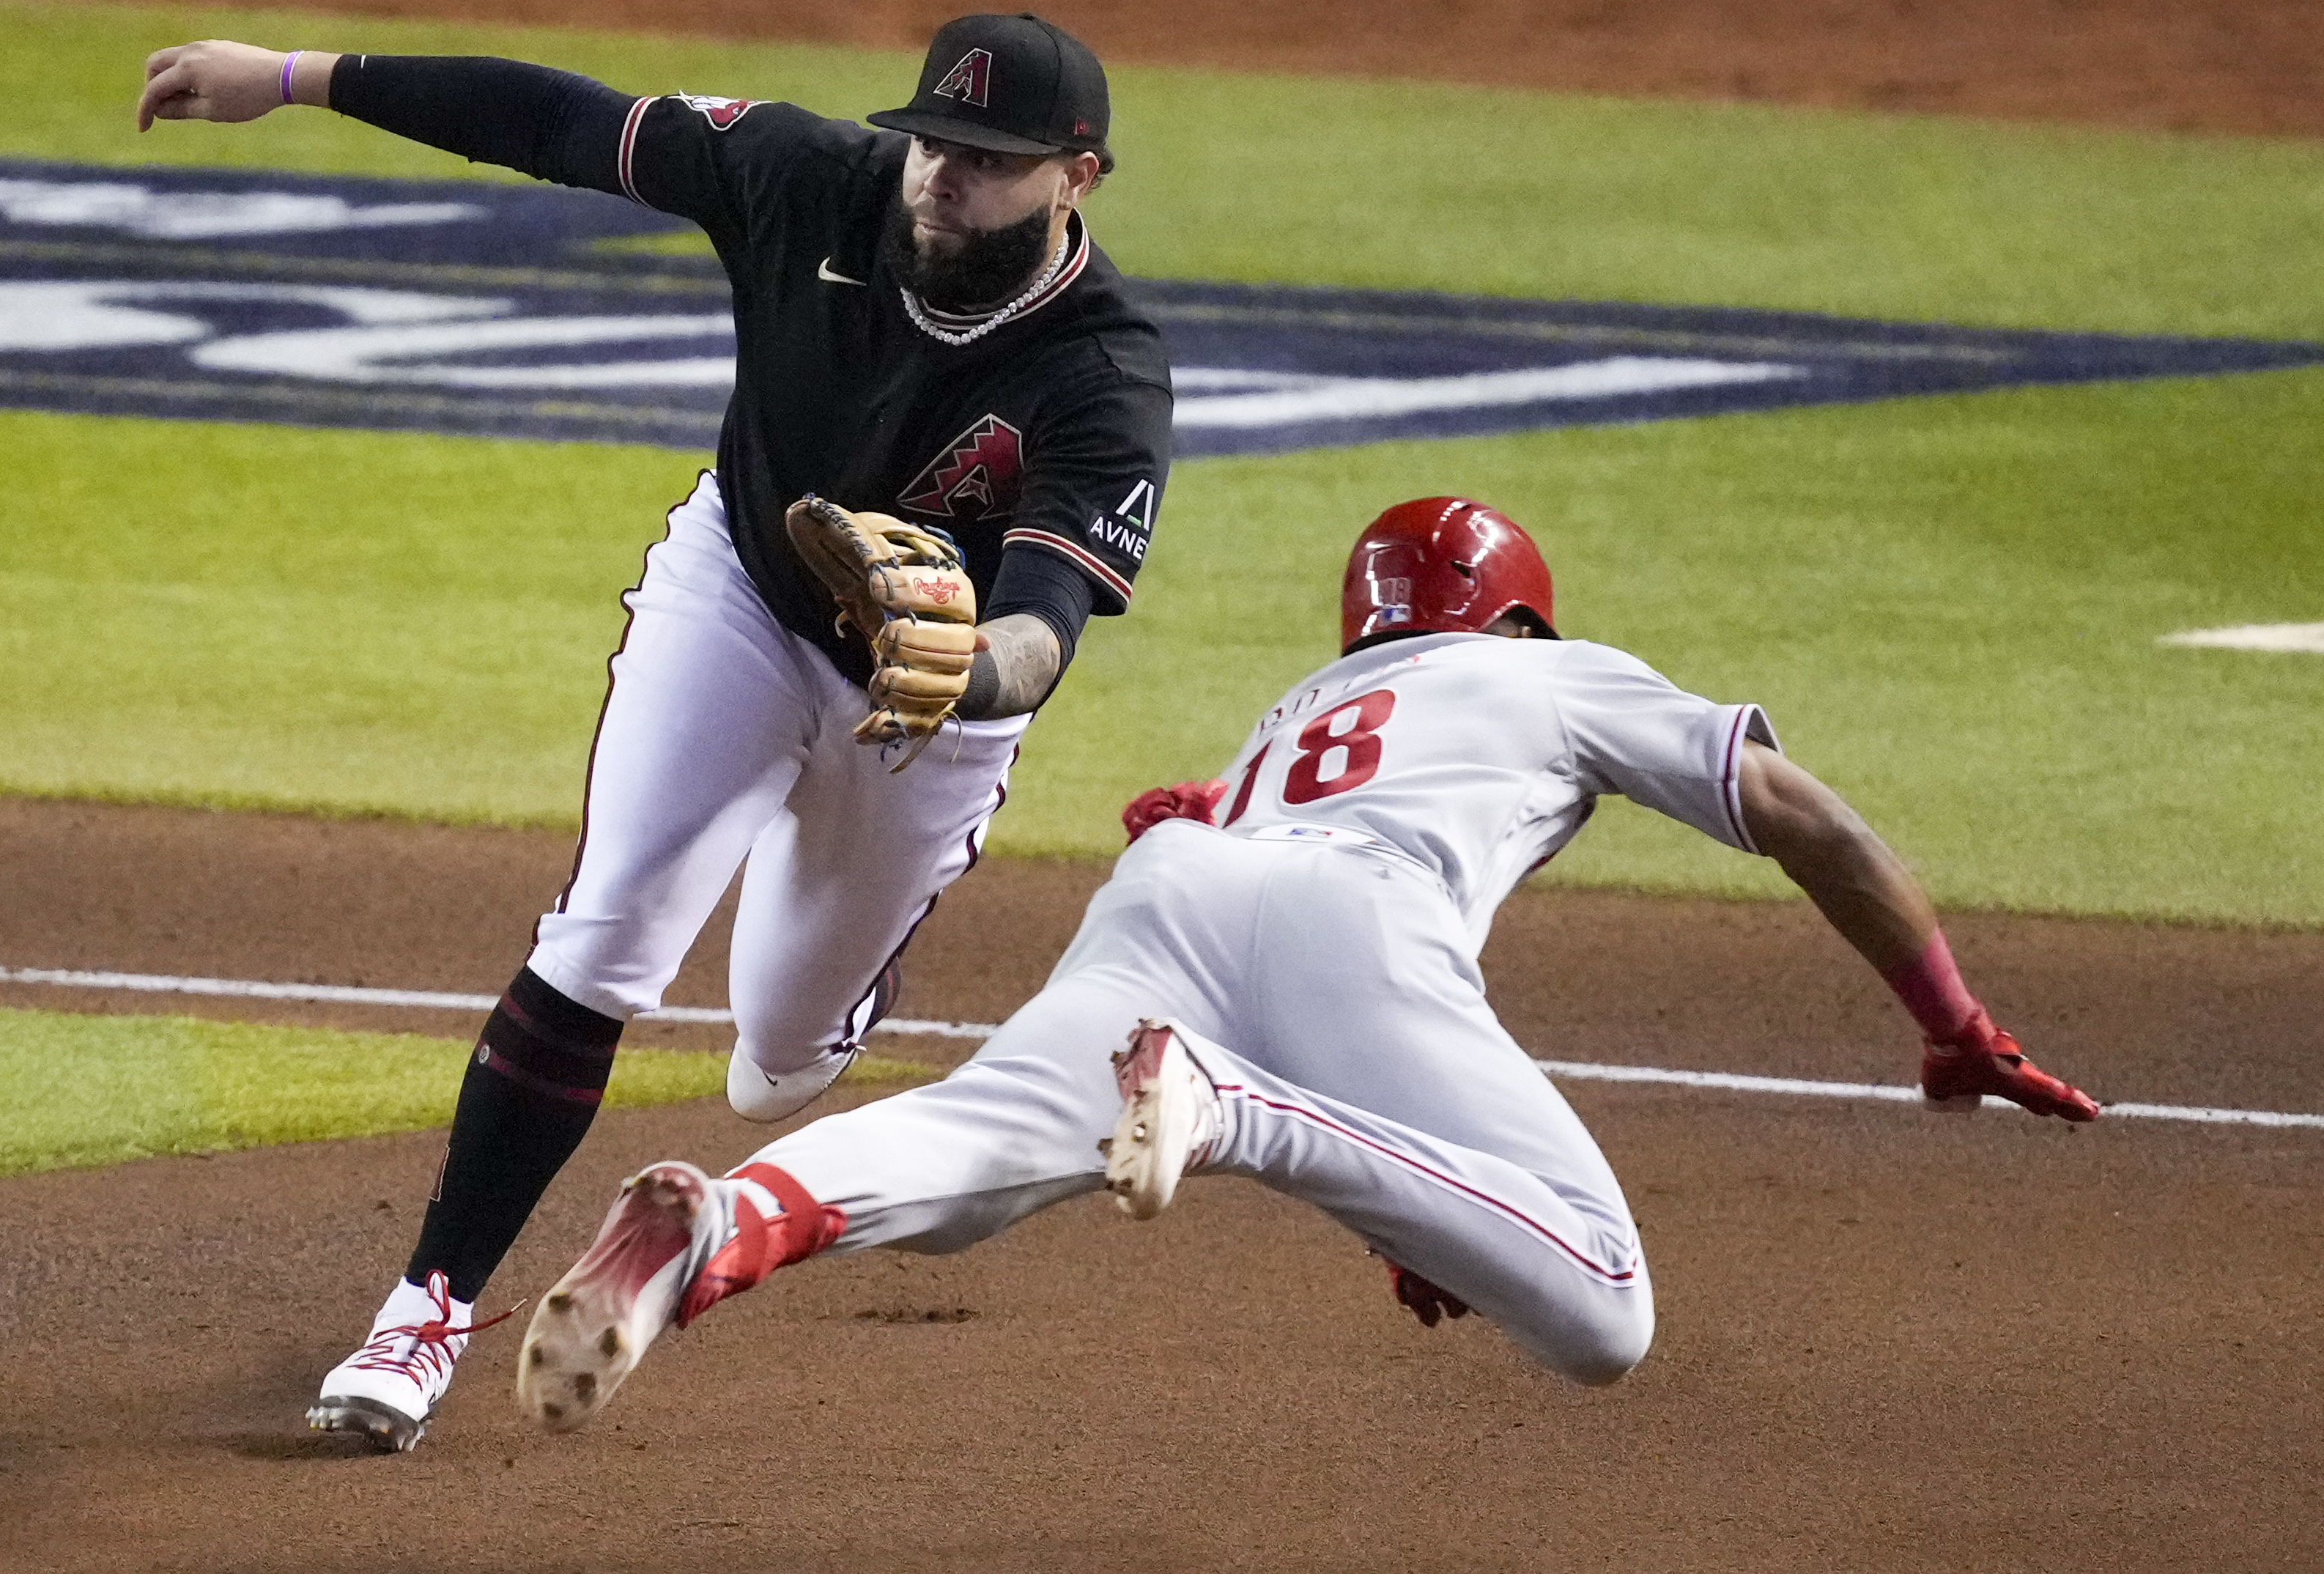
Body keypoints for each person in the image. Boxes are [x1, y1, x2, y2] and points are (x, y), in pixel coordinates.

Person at [136, 14, 1174, 1450]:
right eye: (935, 139)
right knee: (608, 929)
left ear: (1078, 176)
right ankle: (421, 1315)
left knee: (782, 1059)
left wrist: (961, 670)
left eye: (991, 162)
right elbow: (563, 122)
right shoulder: (806, 175)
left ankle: (830, 1007)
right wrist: (296, 79)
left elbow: (1045, 620)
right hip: (741, 599)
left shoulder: (1101, 371)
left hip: (925, 725)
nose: (943, 176)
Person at [509, 496, 2099, 1430]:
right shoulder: (1551, 681)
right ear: (1523, 622)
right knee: (1603, 1311)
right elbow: (1801, 818)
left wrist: (1404, 1192)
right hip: (1341, 942)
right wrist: (1947, 1017)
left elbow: (1273, 948)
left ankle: (721, 1226)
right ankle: (1234, 1115)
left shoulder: (1298, 711)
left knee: (972, 1157)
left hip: (1178, 890)